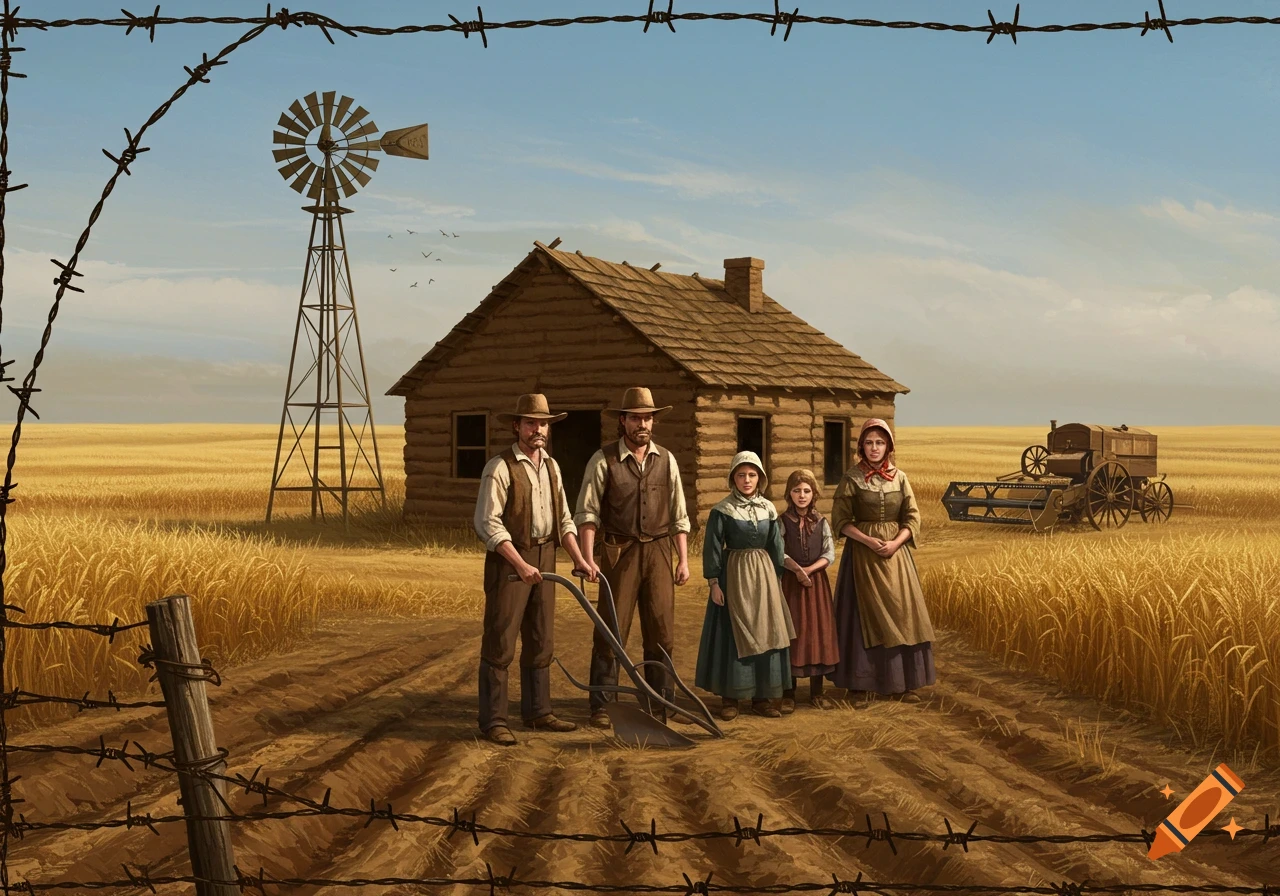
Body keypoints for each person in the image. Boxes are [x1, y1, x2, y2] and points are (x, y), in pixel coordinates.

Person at [473, 393, 596, 746]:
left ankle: (538, 712)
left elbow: (564, 520)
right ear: (517, 427)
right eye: (531, 423)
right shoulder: (500, 467)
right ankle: (494, 720)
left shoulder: (552, 467)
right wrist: (520, 563)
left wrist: (579, 558)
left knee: (542, 638)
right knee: (500, 641)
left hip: (545, 556)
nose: (538, 430)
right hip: (510, 561)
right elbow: (487, 523)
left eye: (543, 424)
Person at [575, 387, 692, 728]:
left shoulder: (666, 460)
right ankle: (602, 705)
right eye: (636, 418)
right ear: (623, 421)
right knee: (611, 629)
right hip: (619, 552)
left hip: (659, 552)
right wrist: (588, 559)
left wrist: (683, 560)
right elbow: (587, 514)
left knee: (662, 631)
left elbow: (679, 515)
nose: (642, 424)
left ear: (653, 422)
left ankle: (660, 702)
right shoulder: (603, 460)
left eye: (648, 418)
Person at [829, 418, 936, 703]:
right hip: (862, 555)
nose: (874, 448)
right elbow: (840, 520)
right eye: (869, 443)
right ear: (861, 446)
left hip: (896, 557)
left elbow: (912, 517)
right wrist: (866, 540)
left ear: (888, 446)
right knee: (859, 615)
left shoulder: (900, 478)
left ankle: (902, 684)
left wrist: (895, 543)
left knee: (901, 612)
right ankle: (859, 685)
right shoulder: (851, 478)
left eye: (879, 442)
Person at [694, 450, 795, 720]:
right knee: (733, 633)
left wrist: (776, 578)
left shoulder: (768, 508)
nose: (747, 480)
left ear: (760, 478)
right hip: (734, 575)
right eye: (741, 475)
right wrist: (714, 583)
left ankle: (761, 698)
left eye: (752, 475)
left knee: (765, 631)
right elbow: (712, 548)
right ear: (733, 478)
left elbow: (776, 545)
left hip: (764, 577)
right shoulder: (722, 510)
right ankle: (731, 699)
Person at [778, 469, 840, 714]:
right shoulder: (782, 521)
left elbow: (829, 553)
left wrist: (809, 570)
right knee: (792, 632)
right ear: (789, 493)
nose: (802, 495)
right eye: (797, 491)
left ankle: (817, 692)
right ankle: (789, 694)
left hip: (816, 584)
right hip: (791, 584)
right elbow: (778, 551)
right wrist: (796, 570)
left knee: (818, 632)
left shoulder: (822, 522)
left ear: (814, 493)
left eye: (806, 491)